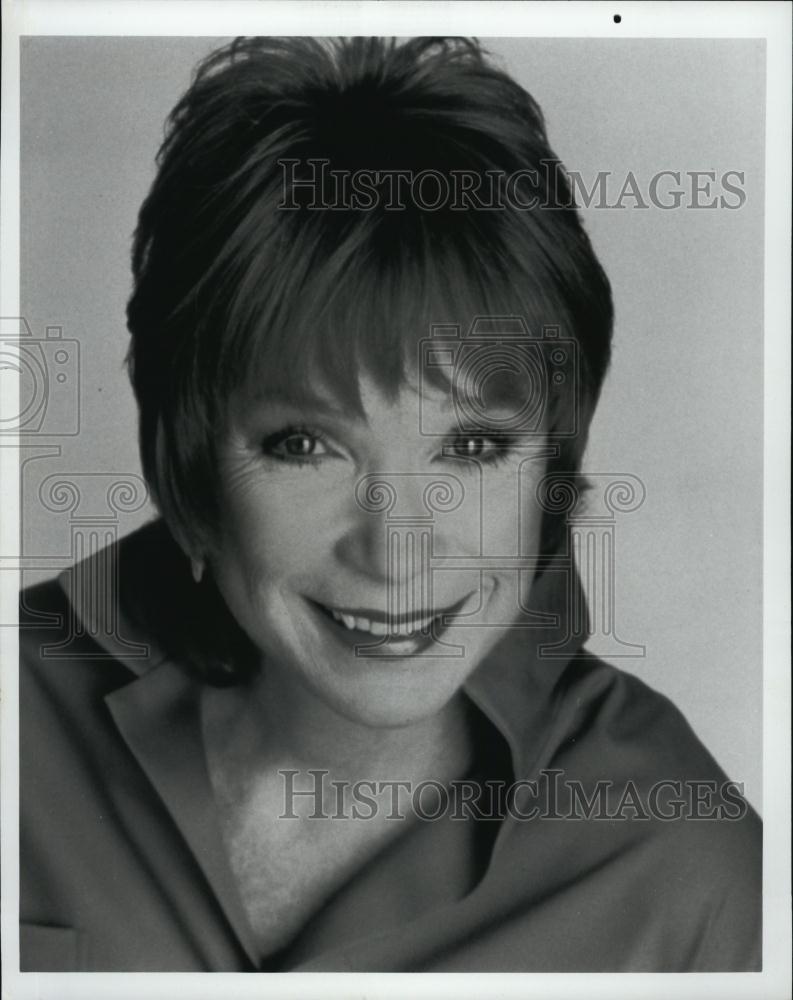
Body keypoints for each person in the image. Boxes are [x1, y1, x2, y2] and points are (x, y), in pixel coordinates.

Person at [19, 36, 761, 972]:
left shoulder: (686, 868)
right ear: (191, 463)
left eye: (474, 446)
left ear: (550, 474)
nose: (398, 552)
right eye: (304, 446)